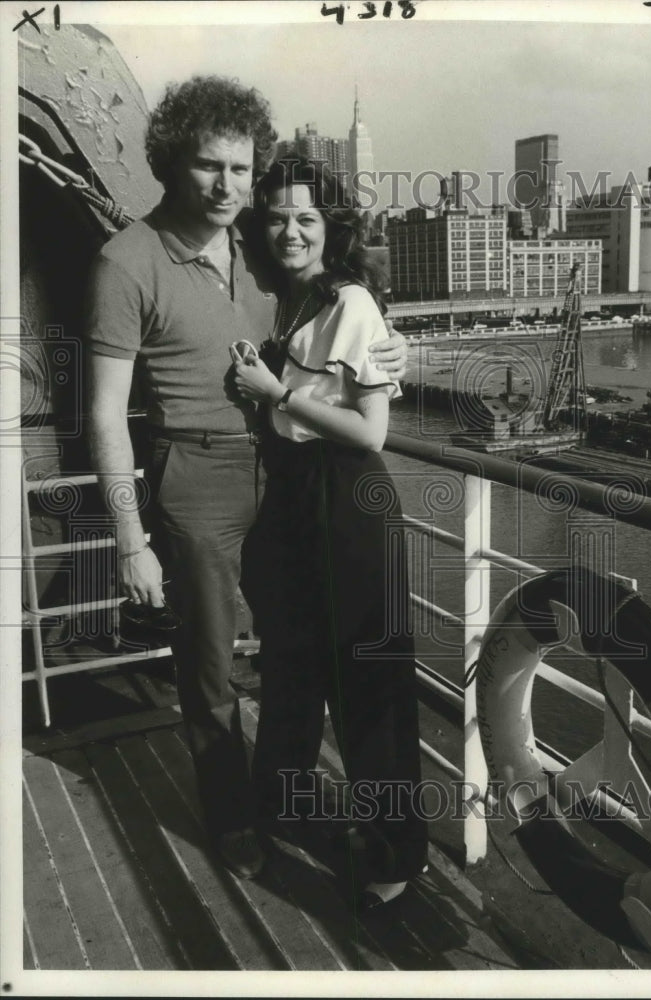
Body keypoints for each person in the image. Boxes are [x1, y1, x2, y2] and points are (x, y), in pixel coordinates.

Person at [85, 77, 407, 879]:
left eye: (240, 169)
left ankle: (286, 799)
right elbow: (102, 415)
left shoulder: (260, 248)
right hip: (195, 477)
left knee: (299, 656)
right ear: (170, 163)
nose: (227, 187)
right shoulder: (125, 262)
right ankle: (232, 818)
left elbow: (338, 303)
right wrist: (131, 540)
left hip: (291, 473)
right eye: (207, 167)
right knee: (211, 666)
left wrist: (393, 353)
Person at [232, 158, 428, 909]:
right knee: (294, 666)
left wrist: (275, 391)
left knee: (370, 688)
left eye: (307, 219)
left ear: (330, 228)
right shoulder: (286, 303)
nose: (291, 231)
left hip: (348, 501)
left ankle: (397, 856)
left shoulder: (349, 302)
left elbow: (370, 429)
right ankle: (288, 809)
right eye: (278, 217)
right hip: (296, 501)